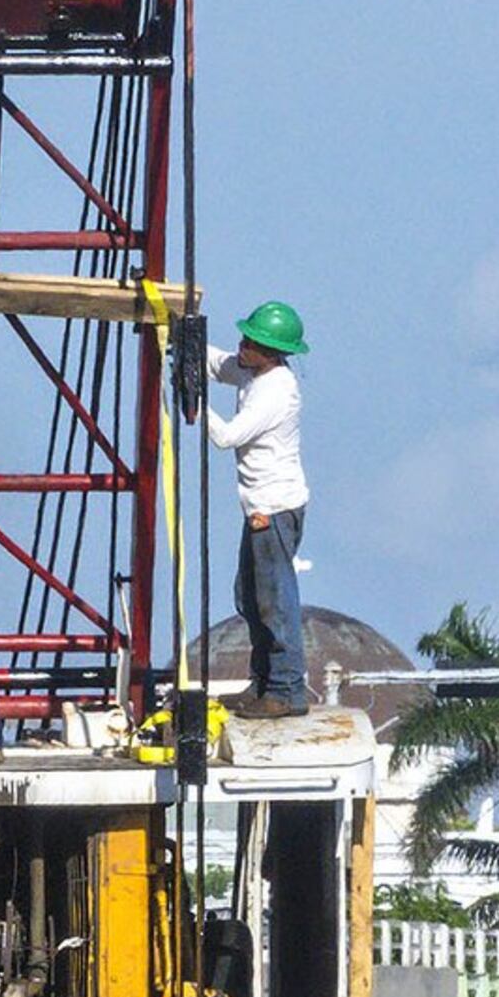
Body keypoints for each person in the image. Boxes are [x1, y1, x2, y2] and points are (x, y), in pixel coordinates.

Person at [206, 301, 310, 717]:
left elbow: (228, 436)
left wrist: (193, 400)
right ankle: (264, 681)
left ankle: (285, 691)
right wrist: (185, 341)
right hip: (260, 507)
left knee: (273, 599)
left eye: (252, 342)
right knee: (248, 595)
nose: (243, 346)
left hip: (274, 507)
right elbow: (222, 366)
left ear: (272, 352)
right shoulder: (255, 371)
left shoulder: (276, 391)